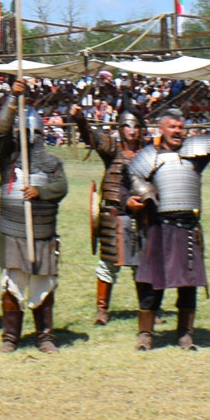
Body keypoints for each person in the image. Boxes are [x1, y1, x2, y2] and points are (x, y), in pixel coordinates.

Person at [126, 107, 210, 350]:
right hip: (158, 227)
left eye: (181, 127)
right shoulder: (147, 156)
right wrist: (130, 201)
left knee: (188, 283)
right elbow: (129, 183)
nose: (178, 132)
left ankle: (185, 334)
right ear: (162, 129)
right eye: (173, 127)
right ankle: (145, 334)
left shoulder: (195, 156)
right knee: (151, 283)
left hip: (187, 227)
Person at [0, 94, 67, 353]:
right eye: (25, 131)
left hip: (43, 232)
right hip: (13, 231)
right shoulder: (8, 159)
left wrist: (39, 191)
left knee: (44, 284)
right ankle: (10, 337)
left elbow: (61, 187)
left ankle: (45, 337)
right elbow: (0, 132)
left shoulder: (52, 163)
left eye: (34, 132)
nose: (31, 136)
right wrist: (12, 100)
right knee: (13, 284)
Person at [71, 105, 145, 327]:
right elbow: (91, 137)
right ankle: (102, 309)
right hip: (113, 214)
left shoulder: (148, 154)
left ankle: (147, 308)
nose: (132, 131)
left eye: (136, 126)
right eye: (127, 126)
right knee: (108, 263)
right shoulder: (112, 149)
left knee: (142, 265)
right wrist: (81, 120)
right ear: (120, 129)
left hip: (141, 216)